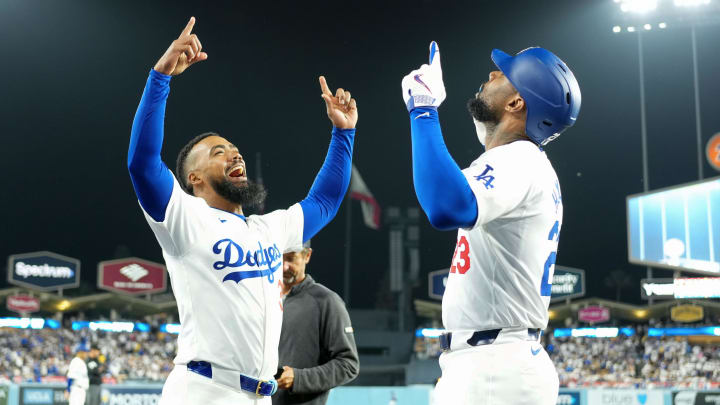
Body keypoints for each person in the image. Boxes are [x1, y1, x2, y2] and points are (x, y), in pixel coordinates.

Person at [127, 17, 358, 405]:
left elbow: (325, 201)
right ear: (194, 178)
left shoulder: (266, 228)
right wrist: (160, 78)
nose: (234, 153)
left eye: (234, 148)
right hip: (203, 391)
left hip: (258, 396)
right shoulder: (184, 220)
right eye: (218, 152)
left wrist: (343, 134)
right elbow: (142, 163)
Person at [401, 42, 581, 404]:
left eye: (504, 73)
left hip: (495, 363)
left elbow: (446, 206)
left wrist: (423, 111)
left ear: (517, 103)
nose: (493, 74)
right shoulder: (520, 160)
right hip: (493, 360)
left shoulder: (521, 159)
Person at [273, 242, 359, 405]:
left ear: (307, 255)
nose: (284, 267)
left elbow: (348, 365)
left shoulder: (327, 301)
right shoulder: (262, 298)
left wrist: (298, 378)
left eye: (291, 259)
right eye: (280, 259)